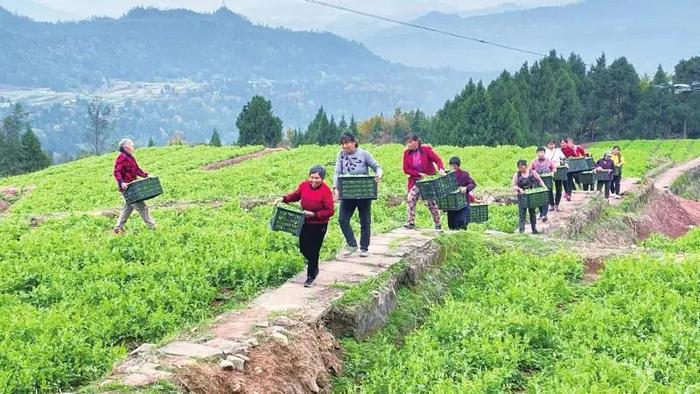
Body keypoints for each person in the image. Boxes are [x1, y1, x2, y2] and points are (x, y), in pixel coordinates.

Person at [282, 165, 335, 287]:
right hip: (305, 222)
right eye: (312, 177)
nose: (314, 180)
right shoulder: (304, 186)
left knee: (314, 249)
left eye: (317, 178)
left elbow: (330, 211)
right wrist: (283, 199)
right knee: (303, 248)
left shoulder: (326, 191)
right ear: (308, 176)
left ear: (322, 179)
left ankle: (311, 276)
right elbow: (295, 196)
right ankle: (314, 265)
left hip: (319, 225)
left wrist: (315, 214)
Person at [332, 132, 383, 257]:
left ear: (354, 142)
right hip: (347, 192)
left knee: (365, 220)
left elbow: (377, 166)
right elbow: (337, 172)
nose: (345, 146)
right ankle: (352, 244)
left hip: (363, 191)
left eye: (347, 142)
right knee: (343, 219)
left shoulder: (363, 154)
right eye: (343, 143)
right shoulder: (341, 155)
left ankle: (364, 248)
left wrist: (379, 174)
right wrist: (335, 188)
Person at [402, 133, 446, 231]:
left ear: (416, 141)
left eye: (410, 142)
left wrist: (441, 169)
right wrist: (418, 173)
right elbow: (406, 169)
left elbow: (438, 160)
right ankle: (411, 222)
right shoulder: (406, 153)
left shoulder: (426, 150)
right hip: (416, 180)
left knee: (431, 202)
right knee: (411, 198)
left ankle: (438, 224)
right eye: (407, 143)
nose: (408, 145)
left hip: (428, 181)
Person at [112, 138, 156, 234]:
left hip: (133, 186)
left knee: (128, 208)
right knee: (142, 207)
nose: (133, 146)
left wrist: (147, 175)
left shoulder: (131, 157)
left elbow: (137, 170)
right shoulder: (121, 157)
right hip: (128, 188)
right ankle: (152, 227)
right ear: (125, 147)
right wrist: (121, 182)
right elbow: (116, 172)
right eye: (131, 145)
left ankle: (118, 228)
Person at [512, 159, 546, 234]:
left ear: (525, 166)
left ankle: (534, 228)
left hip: (531, 196)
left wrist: (544, 187)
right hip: (522, 196)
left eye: (522, 167)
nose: (521, 169)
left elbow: (539, 180)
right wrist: (519, 189)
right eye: (520, 167)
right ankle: (521, 230)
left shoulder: (532, 172)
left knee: (532, 212)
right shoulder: (517, 174)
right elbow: (513, 185)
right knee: (522, 213)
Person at [447, 156, 476, 230]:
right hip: (451, 204)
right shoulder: (447, 176)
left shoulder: (464, 174)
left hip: (463, 203)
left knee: (461, 221)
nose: (453, 167)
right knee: (451, 225)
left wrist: (465, 188)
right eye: (451, 165)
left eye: (455, 165)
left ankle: (463, 234)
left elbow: (472, 184)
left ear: (458, 165)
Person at [530, 146, 555, 222]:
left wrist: (552, 172)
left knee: (545, 198)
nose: (540, 154)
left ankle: (544, 214)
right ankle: (541, 213)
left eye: (542, 152)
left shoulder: (548, 161)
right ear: (537, 153)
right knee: (539, 198)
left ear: (544, 153)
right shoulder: (534, 162)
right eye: (539, 152)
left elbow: (554, 168)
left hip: (547, 181)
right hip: (537, 182)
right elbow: (531, 170)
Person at [545, 140, 566, 211]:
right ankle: (551, 204)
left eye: (552, 144)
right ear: (548, 145)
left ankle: (557, 204)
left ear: (554, 145)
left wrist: (562, 162)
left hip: (558, 170)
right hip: (549, 171)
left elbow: (563, 158)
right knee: (549, 188)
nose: (551, 146)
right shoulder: (546, 151)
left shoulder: (558, 151)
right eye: (549, 144)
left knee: (559, 188)